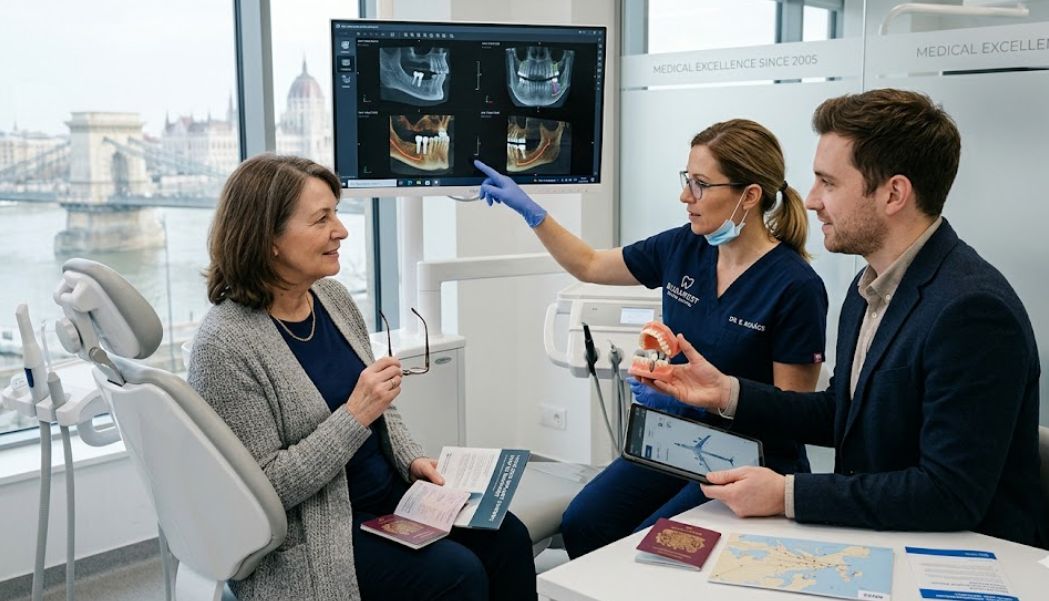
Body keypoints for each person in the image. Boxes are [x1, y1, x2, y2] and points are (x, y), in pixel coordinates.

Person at [647, 89, 1049, 549]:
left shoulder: (972, 312)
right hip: (880, 531)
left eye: (828, 183)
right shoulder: (871, 286)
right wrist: (727, 393)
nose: (811, 200)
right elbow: (843, 412)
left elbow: (949, 494)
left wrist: (787, 494)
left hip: (966, 553)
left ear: (893, 194)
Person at [474, 118, 829, 558]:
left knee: (645, 548)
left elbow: (793, 412)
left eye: (701, 185)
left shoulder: (795, 286)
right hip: (675, 440)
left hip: (747, 459)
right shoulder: (684, 247)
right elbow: (589, 264)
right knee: (585, 522)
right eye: (687, 180)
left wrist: (704, 399)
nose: (686, 196)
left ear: (750, 196)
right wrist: (534, 213)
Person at [188, 154, 537, 601]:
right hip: (315, 532)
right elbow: (263, 491)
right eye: (322, 219)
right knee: (457, 573)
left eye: (336, 213)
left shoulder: (331, 298)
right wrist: (354, 415)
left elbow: (382, 410)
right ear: (269, 237)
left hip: (388, 495)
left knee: (507, 537)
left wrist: (411, 460)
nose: (341, 230)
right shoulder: (224, 345)